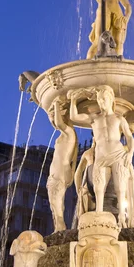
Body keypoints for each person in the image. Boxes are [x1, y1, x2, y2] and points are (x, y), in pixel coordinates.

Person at [69, 85, 134, 228]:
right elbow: (73, 117)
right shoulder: (94, 119)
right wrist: (74, 99)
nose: (102, 102)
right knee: (99, 185)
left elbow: (130, 138)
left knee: (120, 186)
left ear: (111, 99)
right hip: (101, 155)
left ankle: (122, 217)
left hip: (117, 154)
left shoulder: (119, 118)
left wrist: (130, 153)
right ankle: (98, 214)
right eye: (99, 100)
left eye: (104, 99)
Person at [47, 97, 78, 232]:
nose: (54, 120)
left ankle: (61, 228)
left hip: (61, 170)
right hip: (55, 172)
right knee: (53, 203)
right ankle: (57, 227)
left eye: (56, 116)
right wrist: (51, 113)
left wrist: (56, 102)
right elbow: (56, 123)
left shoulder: (70, 133)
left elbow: (59, 123)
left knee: (57, 201)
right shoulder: (63, 134)